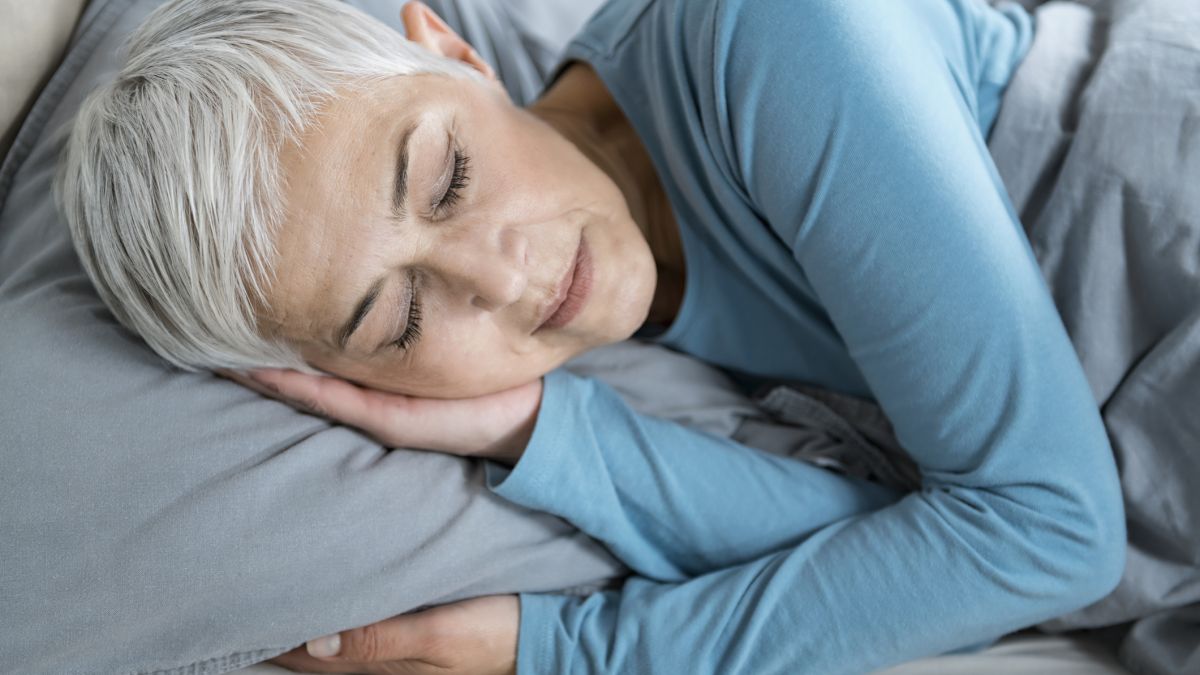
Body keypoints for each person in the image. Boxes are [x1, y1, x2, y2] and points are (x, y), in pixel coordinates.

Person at [57, 0, 1136, 673]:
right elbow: (917, 541)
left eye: (448, 178)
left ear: (453, 49)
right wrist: (532, 429)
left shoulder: (768, 36)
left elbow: (1048, 533)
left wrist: (577, 654)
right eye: (398, 317)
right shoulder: (630, 360)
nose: (502, 278)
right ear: (325, 377)